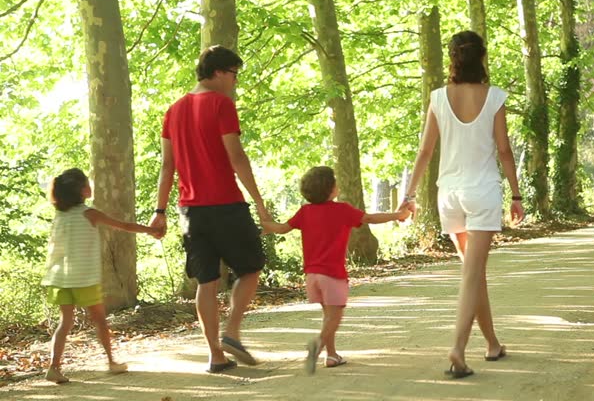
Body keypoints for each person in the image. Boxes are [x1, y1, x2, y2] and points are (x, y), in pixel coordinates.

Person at [402, 30, 524, 378]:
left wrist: (409, 196)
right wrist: (516, 196)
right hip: (482, 192)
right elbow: (503, 151)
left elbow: (425, 151)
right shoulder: (494, 97)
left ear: (453, 58)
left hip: (449, 194)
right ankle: (457, 349)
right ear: (481, 58)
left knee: (474, 274)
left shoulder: (439, 97)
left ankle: (493, 344)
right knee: (472, 274)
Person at [150, 45, 272, 373]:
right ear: (218, 72)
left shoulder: (173, 111)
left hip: (190, 211)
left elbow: (167, 167)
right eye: (234, 74)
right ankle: (231, 332)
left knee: (207, 280)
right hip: (226, 204)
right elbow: (236, 156)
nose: (235, 81)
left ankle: (215, 356)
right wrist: (260, 203)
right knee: (251, 268)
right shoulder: (221, 104)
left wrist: (159, 211)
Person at [263, 166, 411, 374]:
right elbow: (369, 218)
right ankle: (318, 344)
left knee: (328, 316)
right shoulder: (342, 210)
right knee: (335, 316)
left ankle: (331, 356)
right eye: (335, 182)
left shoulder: (305, 211)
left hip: (312, 275)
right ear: (331, 189)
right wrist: (398, 215)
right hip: (332, 274)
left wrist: (265, 223)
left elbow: (281, 228)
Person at [42, 168, 161, 383]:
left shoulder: (60, 217)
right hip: (83, 279)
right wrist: (150, 230)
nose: (90, 187)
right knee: (100, 322)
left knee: (65, 322)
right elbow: (123, 225)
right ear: (81, 191)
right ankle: (111, 362)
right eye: (87, 184)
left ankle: (54, 367)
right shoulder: (89, 214)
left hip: (59, 279)